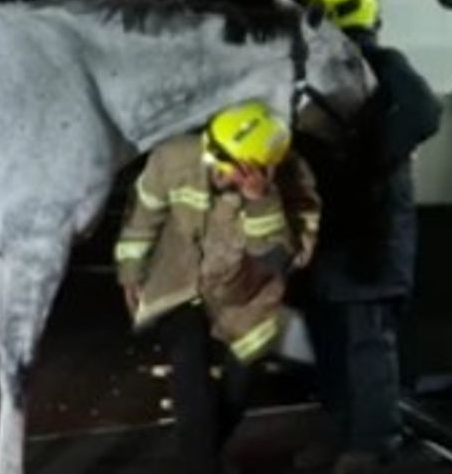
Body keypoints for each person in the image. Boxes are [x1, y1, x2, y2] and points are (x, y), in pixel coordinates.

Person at [288, 0, 442, 473]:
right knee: (329, 341)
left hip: (370, 238)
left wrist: (366, 162)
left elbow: (423, 113)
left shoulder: (380, 63)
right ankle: (340, 431)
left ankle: (374, 443)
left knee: (366, 344)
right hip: (330, 239)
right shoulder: (313, 69)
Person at [116, 101, 320, 474]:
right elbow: (142, 218)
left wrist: (262, 202)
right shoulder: (173, 158)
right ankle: (202, 464)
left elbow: (281, 261)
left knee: (236, 390)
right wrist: (130, 269)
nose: (219, 175)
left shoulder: (295, 181)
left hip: (248, 299)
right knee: (188, 366)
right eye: (216, 162)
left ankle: (203, 453)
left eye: (234, 172)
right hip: (179, 283)